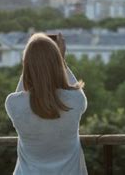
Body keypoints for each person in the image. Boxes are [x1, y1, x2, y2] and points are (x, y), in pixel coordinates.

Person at [5, 33, 88, 175]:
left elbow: (22, 95)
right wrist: (61, 59)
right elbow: (73, 87)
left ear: (26, 65)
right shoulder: (75, 99)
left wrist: (31, 63)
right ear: (57, 63)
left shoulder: (13, 103)